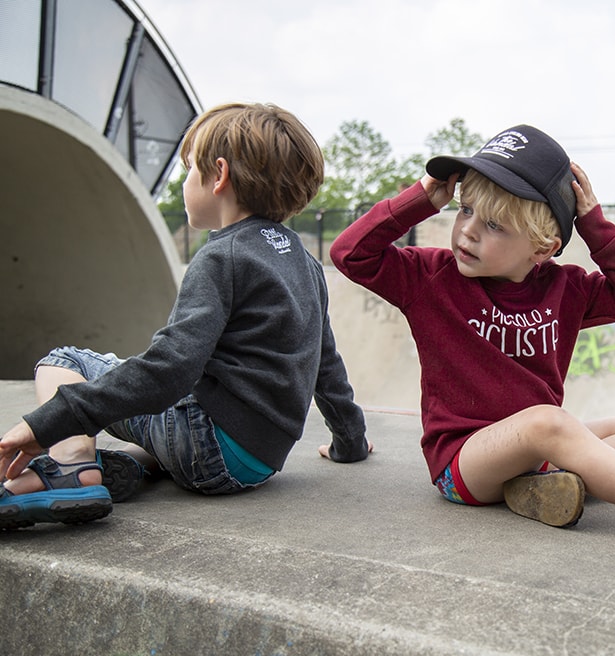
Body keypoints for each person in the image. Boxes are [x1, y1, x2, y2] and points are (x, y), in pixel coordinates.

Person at [326, 124, 615, 541]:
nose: (468, 231)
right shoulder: (429, 278)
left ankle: (541, 491)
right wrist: (421, 198)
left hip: (536, 454)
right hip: (463, 465)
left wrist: (593, 224)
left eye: (494, 225)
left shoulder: (565, 288)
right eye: (465, 209)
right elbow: (349, 254)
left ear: (543, 247)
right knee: (547, 421)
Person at [0, 102, 369, 529]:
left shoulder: (222, 257)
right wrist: (350, 441)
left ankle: (72, 467)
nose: (185, 181)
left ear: (219, 175)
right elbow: (326, 361)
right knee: (166, 406)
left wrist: (46, 425)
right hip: (258, 462)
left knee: (66, 361)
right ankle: (135, 465)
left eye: (190, 169)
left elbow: (169, 370)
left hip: (205, 446)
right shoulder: (304, 262)